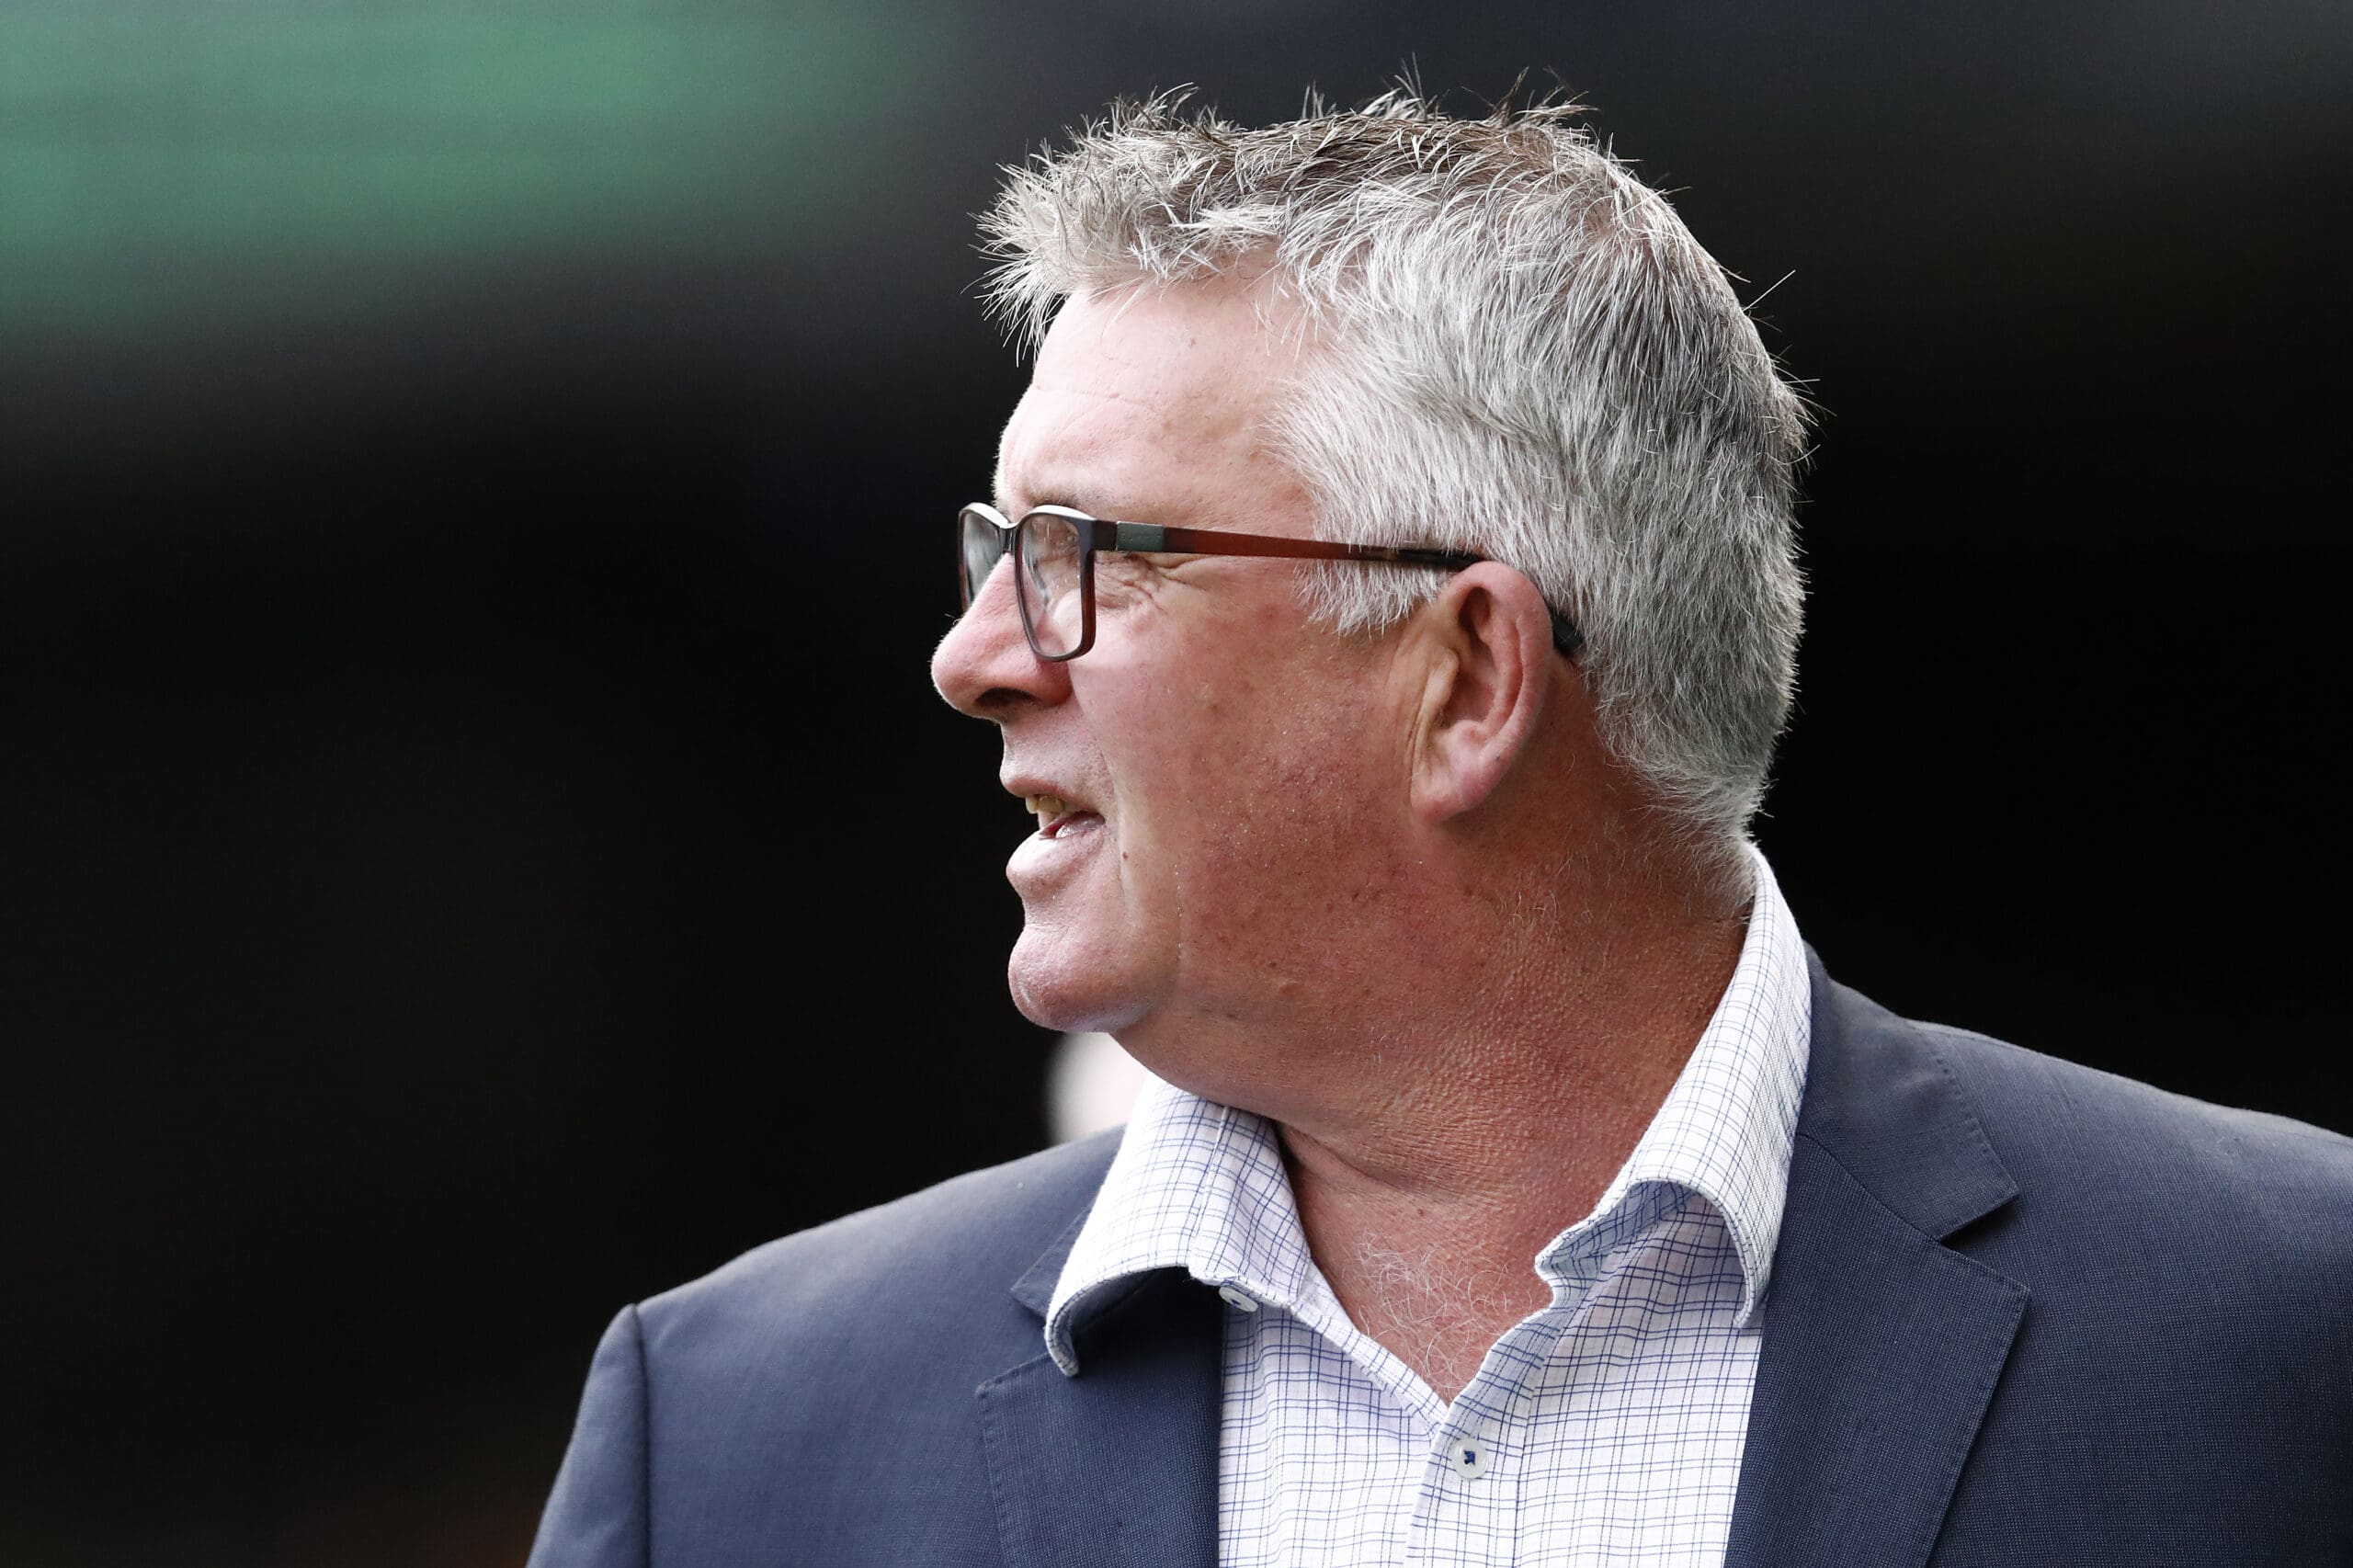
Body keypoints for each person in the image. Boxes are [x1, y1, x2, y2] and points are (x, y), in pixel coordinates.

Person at [528, 91, 2352, 1567]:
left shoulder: (2285, 1326)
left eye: (1088, 557)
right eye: (995, 554)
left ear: (1469, 675)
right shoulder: (733, 1435)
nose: (973, 658)